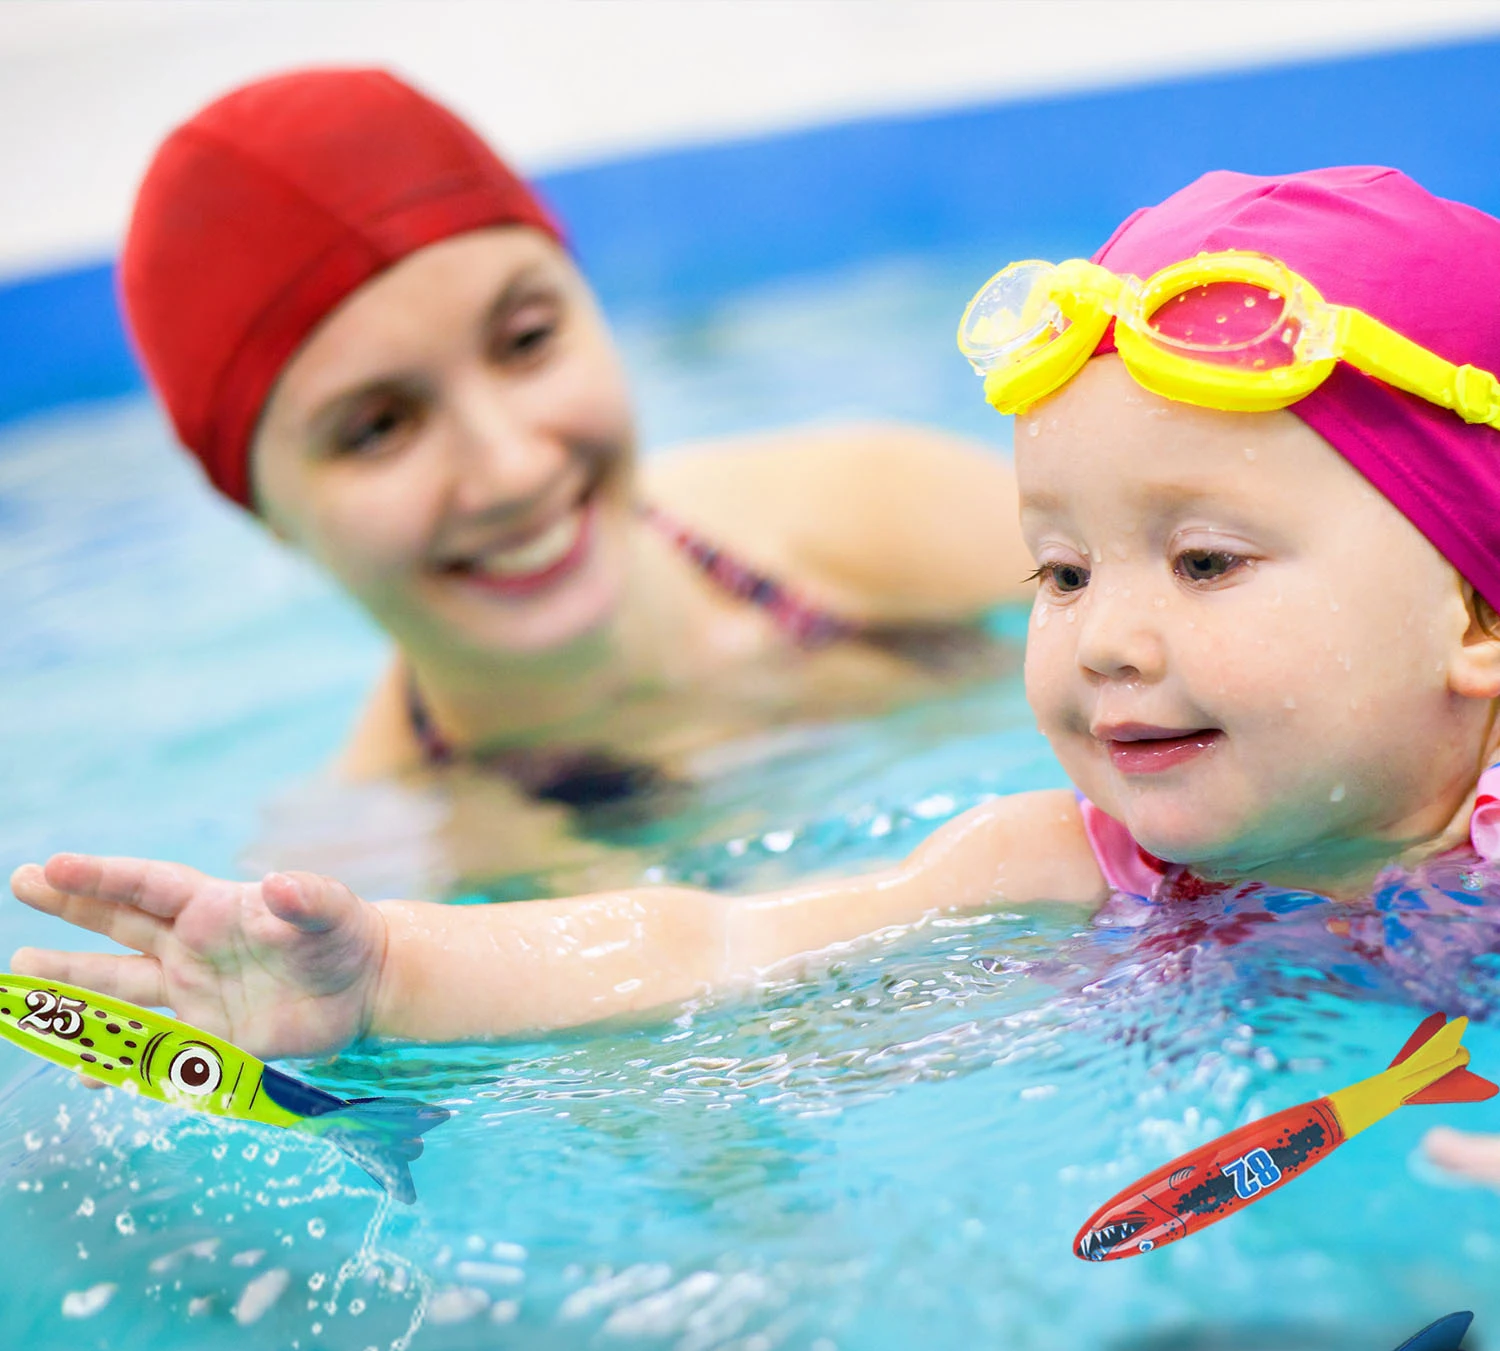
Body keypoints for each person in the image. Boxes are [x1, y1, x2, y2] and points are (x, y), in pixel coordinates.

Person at [18, 165, 1500, 1179]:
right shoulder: (1067, 855)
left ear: (1474, 622)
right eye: (1057, 573)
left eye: (1205, 563)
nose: (1103, 637)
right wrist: (389, 975)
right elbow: (711, 949)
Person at [120, 67, 1031, 892]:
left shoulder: (883, 514)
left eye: (526, 341)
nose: (511, 468)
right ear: (264, 512)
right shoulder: (373, 887)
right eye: (378, 428)